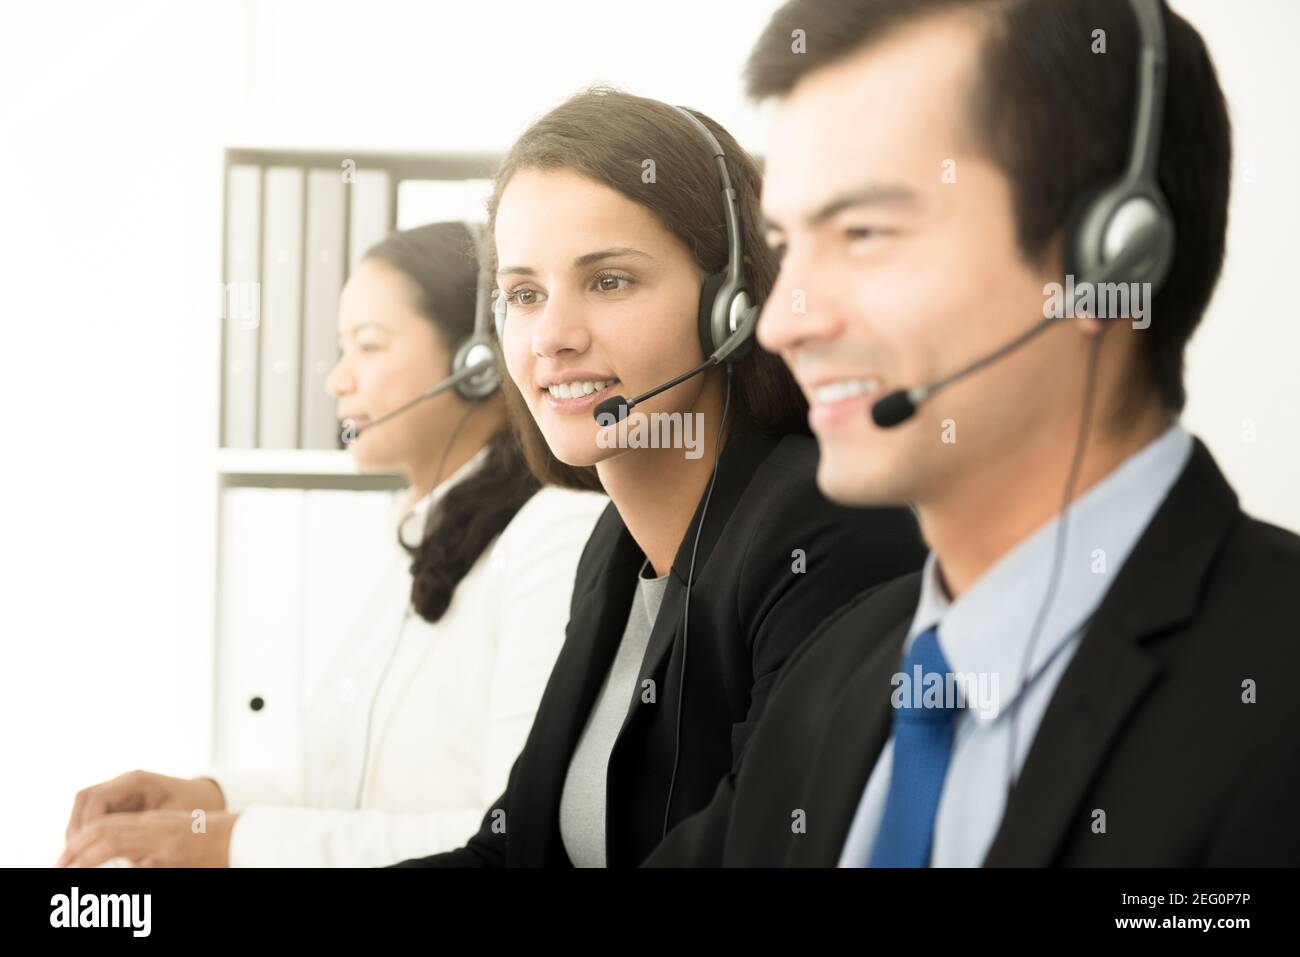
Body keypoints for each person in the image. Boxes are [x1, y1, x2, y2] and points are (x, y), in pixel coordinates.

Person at [645, 0, 1300, 868]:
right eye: (784, 244)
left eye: (865, 232)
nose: (781, 326)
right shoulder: (835, 674)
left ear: (1112, 255)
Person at [395, 89, 926, 868]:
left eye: (609, 281)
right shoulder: (611, 552)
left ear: (733, 305)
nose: (553, 338)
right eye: (524, 294)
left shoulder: (828, 525)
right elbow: (508, 855)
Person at [59, 222, 608, 867]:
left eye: (368, 348)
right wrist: (206, 800)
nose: (337, 381)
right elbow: (349, 797)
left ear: (478, 363)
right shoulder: (418, 543)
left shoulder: (555, 537)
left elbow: (513, 837)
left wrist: (231, 844)